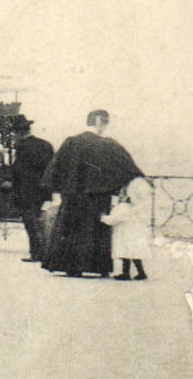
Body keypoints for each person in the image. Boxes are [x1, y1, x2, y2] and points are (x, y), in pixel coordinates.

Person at [42, 110, 143, 278]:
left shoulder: (71, 142)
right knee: (95, 231)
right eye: (105, 123)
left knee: (71, 230)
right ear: (99, 122)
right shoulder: (108, 144)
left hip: (72, 197)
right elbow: (129, 169)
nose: (105, 127)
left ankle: (71, 267)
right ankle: (99, 266)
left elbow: (54, 170)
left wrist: (60, 190)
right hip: (97, 198)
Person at [9, 118, 54, 262]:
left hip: (26, 191)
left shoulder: (22, 146)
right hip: (43, 190)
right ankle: (44, 251)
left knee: (30, 222)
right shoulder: (46, 145)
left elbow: (18, 170)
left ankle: (36, 252)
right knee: (40, 221)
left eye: (14, 133)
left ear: (19, 132)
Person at [101, 175, 153, 281]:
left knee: (125, 254)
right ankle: (141, 272)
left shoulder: (122, 208)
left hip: (123, 234)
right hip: (135, 233)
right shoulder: (133, 209)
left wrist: (103, 218)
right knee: (135, 255)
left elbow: (113, 219)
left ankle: (126, 274)